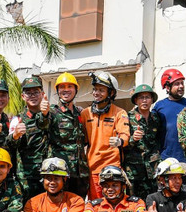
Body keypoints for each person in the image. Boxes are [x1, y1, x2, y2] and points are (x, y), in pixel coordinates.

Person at [79, 71, 130, 200]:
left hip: (112, 167)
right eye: (95, 89)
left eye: (101, 90)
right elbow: (82, 139)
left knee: (114, 203)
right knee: (96, 205)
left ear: (111, 93)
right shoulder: (86, 113)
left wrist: (120, 141)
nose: (97, 93)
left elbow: (125, 135)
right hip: (93, 168)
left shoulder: (119, 113)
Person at [7, 76, 51, 203]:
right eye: (28, 93)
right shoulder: (18, 119)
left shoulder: (52, 113)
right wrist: (15, 136)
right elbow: (8, 145)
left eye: (36, 92)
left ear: (42, 94)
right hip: (28, 176)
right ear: (22, 96)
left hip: (50, 173)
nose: (32, 96)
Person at [47, 72, 90, 199]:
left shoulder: (81, 113)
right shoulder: (52, 112)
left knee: (79, 208)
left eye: (70, 86)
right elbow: (42, 124)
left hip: (80, 173)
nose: (66, 90)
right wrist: (43, 113)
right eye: (62, 87)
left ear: (76, 90)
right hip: (61, 172)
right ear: (58, 91)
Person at [123, 84, 164, 199]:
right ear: (136, 100)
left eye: (147, 97)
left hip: (152, 169)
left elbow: (158, 140)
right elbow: (121, 142)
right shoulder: (128, 117)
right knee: (133, 202)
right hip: (134, 170)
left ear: (152, 100)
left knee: (153, 200)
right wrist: (132, 139)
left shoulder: (156, 118)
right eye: (141, 97)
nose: (144, 100)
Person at [153, 68, 186, 163]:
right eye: (177, 84)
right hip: (167, 159)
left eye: (182, 83)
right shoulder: (159, 106)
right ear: (167, 87)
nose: (181, 86)